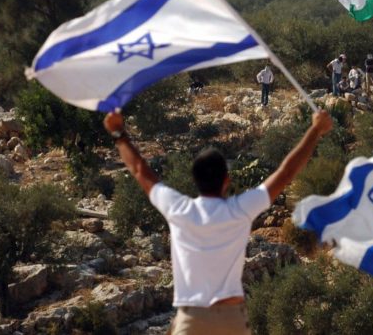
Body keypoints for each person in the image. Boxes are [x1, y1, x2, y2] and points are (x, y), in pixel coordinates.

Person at [103, 110, 333, 335]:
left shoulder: (178, 209)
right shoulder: (240, 209)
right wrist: (315, 130)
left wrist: (118, 133)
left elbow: (139, 169)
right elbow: (285, 173)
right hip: (231, 318)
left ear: (195, 180)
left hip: (192, 317)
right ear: (226, 180)